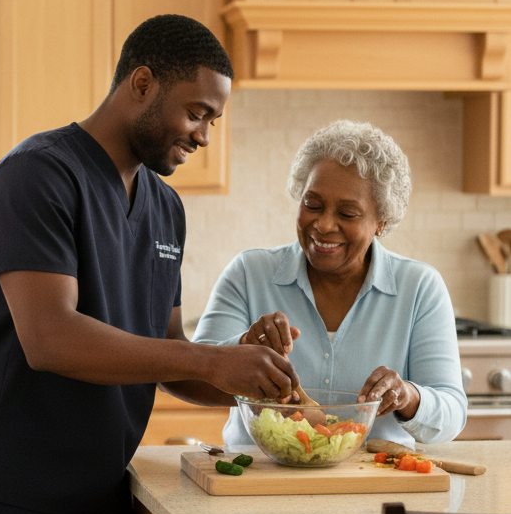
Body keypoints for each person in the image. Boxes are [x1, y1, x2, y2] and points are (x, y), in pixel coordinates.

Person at [0, 14, 300, 514]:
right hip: (15, 493)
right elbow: (50, 338)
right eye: (198, 111)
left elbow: (167, 355)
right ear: (142, 83)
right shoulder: (36, 176)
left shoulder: (166, 209)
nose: (203, 133)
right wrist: (207, 361)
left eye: (213, 120)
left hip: (106, 494)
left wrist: (240, 369)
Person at [193, 119, 467, 449]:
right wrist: (242, 347)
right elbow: (193, 376)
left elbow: (452, 413)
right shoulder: (249, 273)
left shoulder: (420, 288)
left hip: (374, 485)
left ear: (381, 221)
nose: (323, 225)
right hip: (260, 483)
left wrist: (408, 396)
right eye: (313, 205)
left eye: (348, 214)